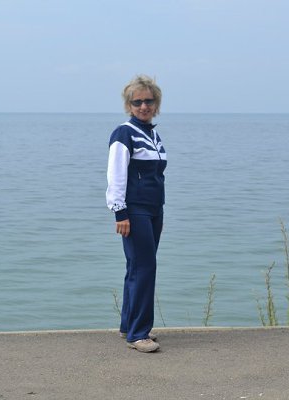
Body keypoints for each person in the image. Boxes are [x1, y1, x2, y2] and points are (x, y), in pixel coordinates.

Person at [106, 75, 167, 353]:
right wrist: (120, 212)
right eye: (137, 102)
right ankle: (139, 334)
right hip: (135, 210)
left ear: (156, 104)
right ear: (128, 105)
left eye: (149, 101)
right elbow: (116, 174)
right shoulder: (125, 133)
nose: (144, 106)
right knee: (145, 268)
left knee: (137, 267)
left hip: (154, 210)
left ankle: (128, 326)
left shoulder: (152, 134)